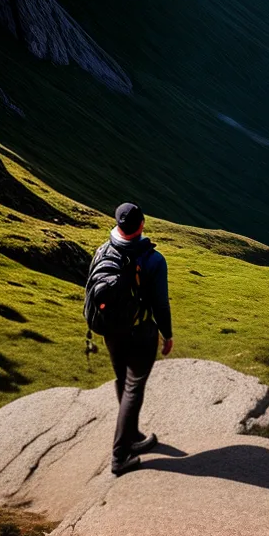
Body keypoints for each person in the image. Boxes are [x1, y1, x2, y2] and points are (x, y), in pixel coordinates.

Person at [93, 202, 173, 476]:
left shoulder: (103, 251)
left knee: (122, 380)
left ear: (117, 224)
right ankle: (119, 456)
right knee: (133, 388)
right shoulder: (153, 260)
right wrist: (167, 334)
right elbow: (161, 305)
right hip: (141, 333)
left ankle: (134, 436)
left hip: (111, 333)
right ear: (141, 225)